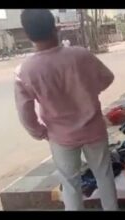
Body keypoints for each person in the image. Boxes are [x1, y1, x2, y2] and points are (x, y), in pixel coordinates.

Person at [15, 9, 117, 211]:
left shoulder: (25, 70)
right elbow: (108, 77)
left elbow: (25, 113)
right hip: (94, 129)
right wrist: (87, 91)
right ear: (56, 28)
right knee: (104, 175)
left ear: (27, 35)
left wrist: (39, 132)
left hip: (60, 136)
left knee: (70, 185)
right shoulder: (81, 55)